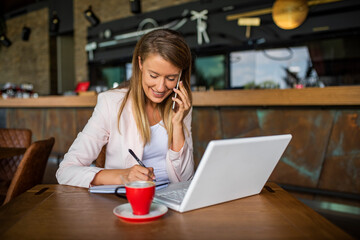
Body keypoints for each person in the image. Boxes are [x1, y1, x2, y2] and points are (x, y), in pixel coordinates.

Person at [56, 29, 194, 188]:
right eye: (153, 76)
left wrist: (177, 125)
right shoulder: (110, 103)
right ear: (140, 63)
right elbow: (65, 171)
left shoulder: (181, 106)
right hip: (127, 201)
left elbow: (186, 179)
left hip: (172, 199)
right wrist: (123, 175)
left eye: (171, 78)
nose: (161, 87)